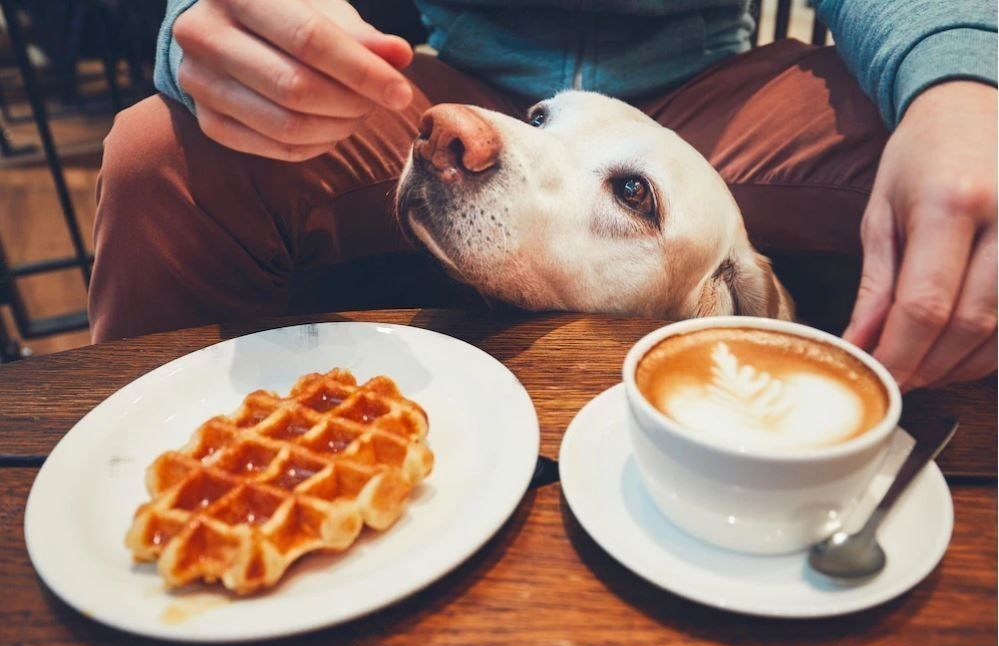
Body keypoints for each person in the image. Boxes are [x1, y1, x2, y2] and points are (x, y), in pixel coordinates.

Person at [89, 0, 997, 393]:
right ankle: (138, 467)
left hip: (716, 80)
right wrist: (214, 31)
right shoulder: (473, 127)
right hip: (464, 73)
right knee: (158, 152)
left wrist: (961, 81)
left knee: (964, 187)